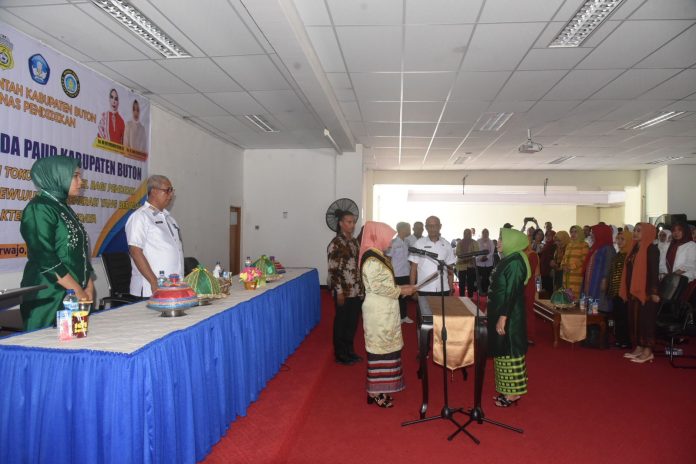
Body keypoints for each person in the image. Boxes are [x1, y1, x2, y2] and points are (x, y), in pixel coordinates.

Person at [19, 156, 95, 331]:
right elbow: (46, 258)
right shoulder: (39, 208)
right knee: (48, 351)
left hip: (72, 293)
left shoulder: (62, 207)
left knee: (74, 348)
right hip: (49, 294)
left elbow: (79, 253)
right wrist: (77, 290)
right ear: (57, 175)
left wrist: (88, 284)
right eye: (75, 176)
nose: (80, 182)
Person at [360, 221, 417, 408]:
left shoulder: (378, 255)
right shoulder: (370, 259)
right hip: (378, 311)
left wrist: (403, 288)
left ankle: (381, 387)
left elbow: (386, 284)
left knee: (387, 348)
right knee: (378, 350)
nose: (390, 242)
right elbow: (377, 286)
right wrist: (401, 290)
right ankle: (374, 391)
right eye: (388, 238)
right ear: (377, 237)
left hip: (385, 309)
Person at [488, 228, 531, 408]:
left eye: (501, 239)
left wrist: (503, 317)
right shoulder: (509, 258)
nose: (498, 242)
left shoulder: (515, 262)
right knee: (503, 350)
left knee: (510, 351)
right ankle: (507, 391)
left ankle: (513, 395)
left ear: (512, 241)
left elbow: (512, 292)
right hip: (502, 311)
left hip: (510, 314)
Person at [126, 175, 184, 298]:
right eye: (167, 190)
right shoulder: (140, 217)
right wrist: (154, 282)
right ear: (153, 191)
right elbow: (135, 251)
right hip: (150, 290)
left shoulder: (170, 219)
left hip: (172, 288)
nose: (171, 194)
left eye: (172, 190)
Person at [327, 210, 364, 365]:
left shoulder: (355, 242)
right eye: (348, 222)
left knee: (353, 322)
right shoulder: (336, 243)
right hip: (343, 290)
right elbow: (333, 270)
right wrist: (339, 292)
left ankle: (350, 350)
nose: (352, 224)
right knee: (342, 321)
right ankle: (340, 354)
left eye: (353, 222)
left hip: (355, 289)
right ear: (341, 223)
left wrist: (361, 289)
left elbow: (358, 266)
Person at [620, 223, 660, 364]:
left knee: (646, 321)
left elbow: (654, 273)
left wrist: (653, 292)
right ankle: (638, 347)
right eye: (635, 230)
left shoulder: (652, 249)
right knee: (635, 320)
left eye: (639, 231)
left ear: (648, 232)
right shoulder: (635, 248)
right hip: (633, 291)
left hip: (646, 293)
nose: (635, 233)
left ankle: (648, 352)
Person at [409, 216, 456, 296]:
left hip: (443, 288)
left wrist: (451, 286)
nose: (432, 228)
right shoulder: (418, 244)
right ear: (426, 227)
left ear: (440, 226)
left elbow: (450, 269)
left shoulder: (447, 245)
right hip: (423, 288)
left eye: (435, 225)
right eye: (429, 226)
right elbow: (413, 268)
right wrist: (412, 289)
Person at [607, 229, 633, 348]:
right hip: (615, 290)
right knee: (617, 316)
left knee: (624, 317)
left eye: (622, 239)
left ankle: (626, 341)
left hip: (624, 292)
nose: (619, 241)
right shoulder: (619, 253)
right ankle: (619, 339)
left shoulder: (630, 255)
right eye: (618, 239)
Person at [582, 224, 616, 313]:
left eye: (593, 233)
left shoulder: (608, 249)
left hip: (600, 282)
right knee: (590, 306)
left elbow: (608, 266)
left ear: (601, 233)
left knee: (599, 305)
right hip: (592, 280)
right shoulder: (595, 247)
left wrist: (605, 279)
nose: (591, 235)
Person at [387, 222, 414, 323]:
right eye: (408, 228)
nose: (409, 230)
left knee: (404, 296)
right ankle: (395, 318)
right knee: (395, 296)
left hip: (406, 273)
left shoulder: (407, 242)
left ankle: (404, 316)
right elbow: (388, 259)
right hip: (396, 274)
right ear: (402, 229)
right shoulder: (393, 242)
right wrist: (389, 274)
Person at [562, 225, 589, 299]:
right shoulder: (569, 245)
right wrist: (563, 265)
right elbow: (564, 258)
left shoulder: (584, 245)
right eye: (571, 232)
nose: (573, 234)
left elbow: (583, 260)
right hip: (566, 275)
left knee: (575, 298)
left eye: (575, 232)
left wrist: (571, 267)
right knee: (566, 297)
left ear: (580, 233)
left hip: (576, 276)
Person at [455, 229, 479, 298]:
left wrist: (468, 258)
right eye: (465, 233)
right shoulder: (460, 243)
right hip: (461, 265)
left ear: (471, 234)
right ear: (463, 234)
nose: (467, 235)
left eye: (468, 233)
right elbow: (457, 253)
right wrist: (465, 258)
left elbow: (476, 252)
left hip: (470, 265)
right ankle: (462, 297)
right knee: (461, 282)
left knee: (470, 282)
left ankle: (470, 297)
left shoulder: (474, 242)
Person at [476, 228, 495, 296]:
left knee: (487, 278)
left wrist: (486, 257)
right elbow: (476, 252)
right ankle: (480, 292)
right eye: (484, 233)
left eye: (487, 233)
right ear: (482, 233)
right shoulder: (478, 241)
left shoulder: (491, 242)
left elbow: (492, 252)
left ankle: (486, 291)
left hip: (489, 263)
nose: (485, 234)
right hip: (480, 263)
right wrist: (480, 258)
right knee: (480, 278)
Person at [538, 229, 556, 294]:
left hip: (549, 272)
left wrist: (552, 269)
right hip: (543, 270)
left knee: (549, 291)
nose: (548, 237)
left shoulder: (554, 245)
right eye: (546, 235)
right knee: (544, 290)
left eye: (550, 235)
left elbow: (553, 258)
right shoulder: (546, 245)